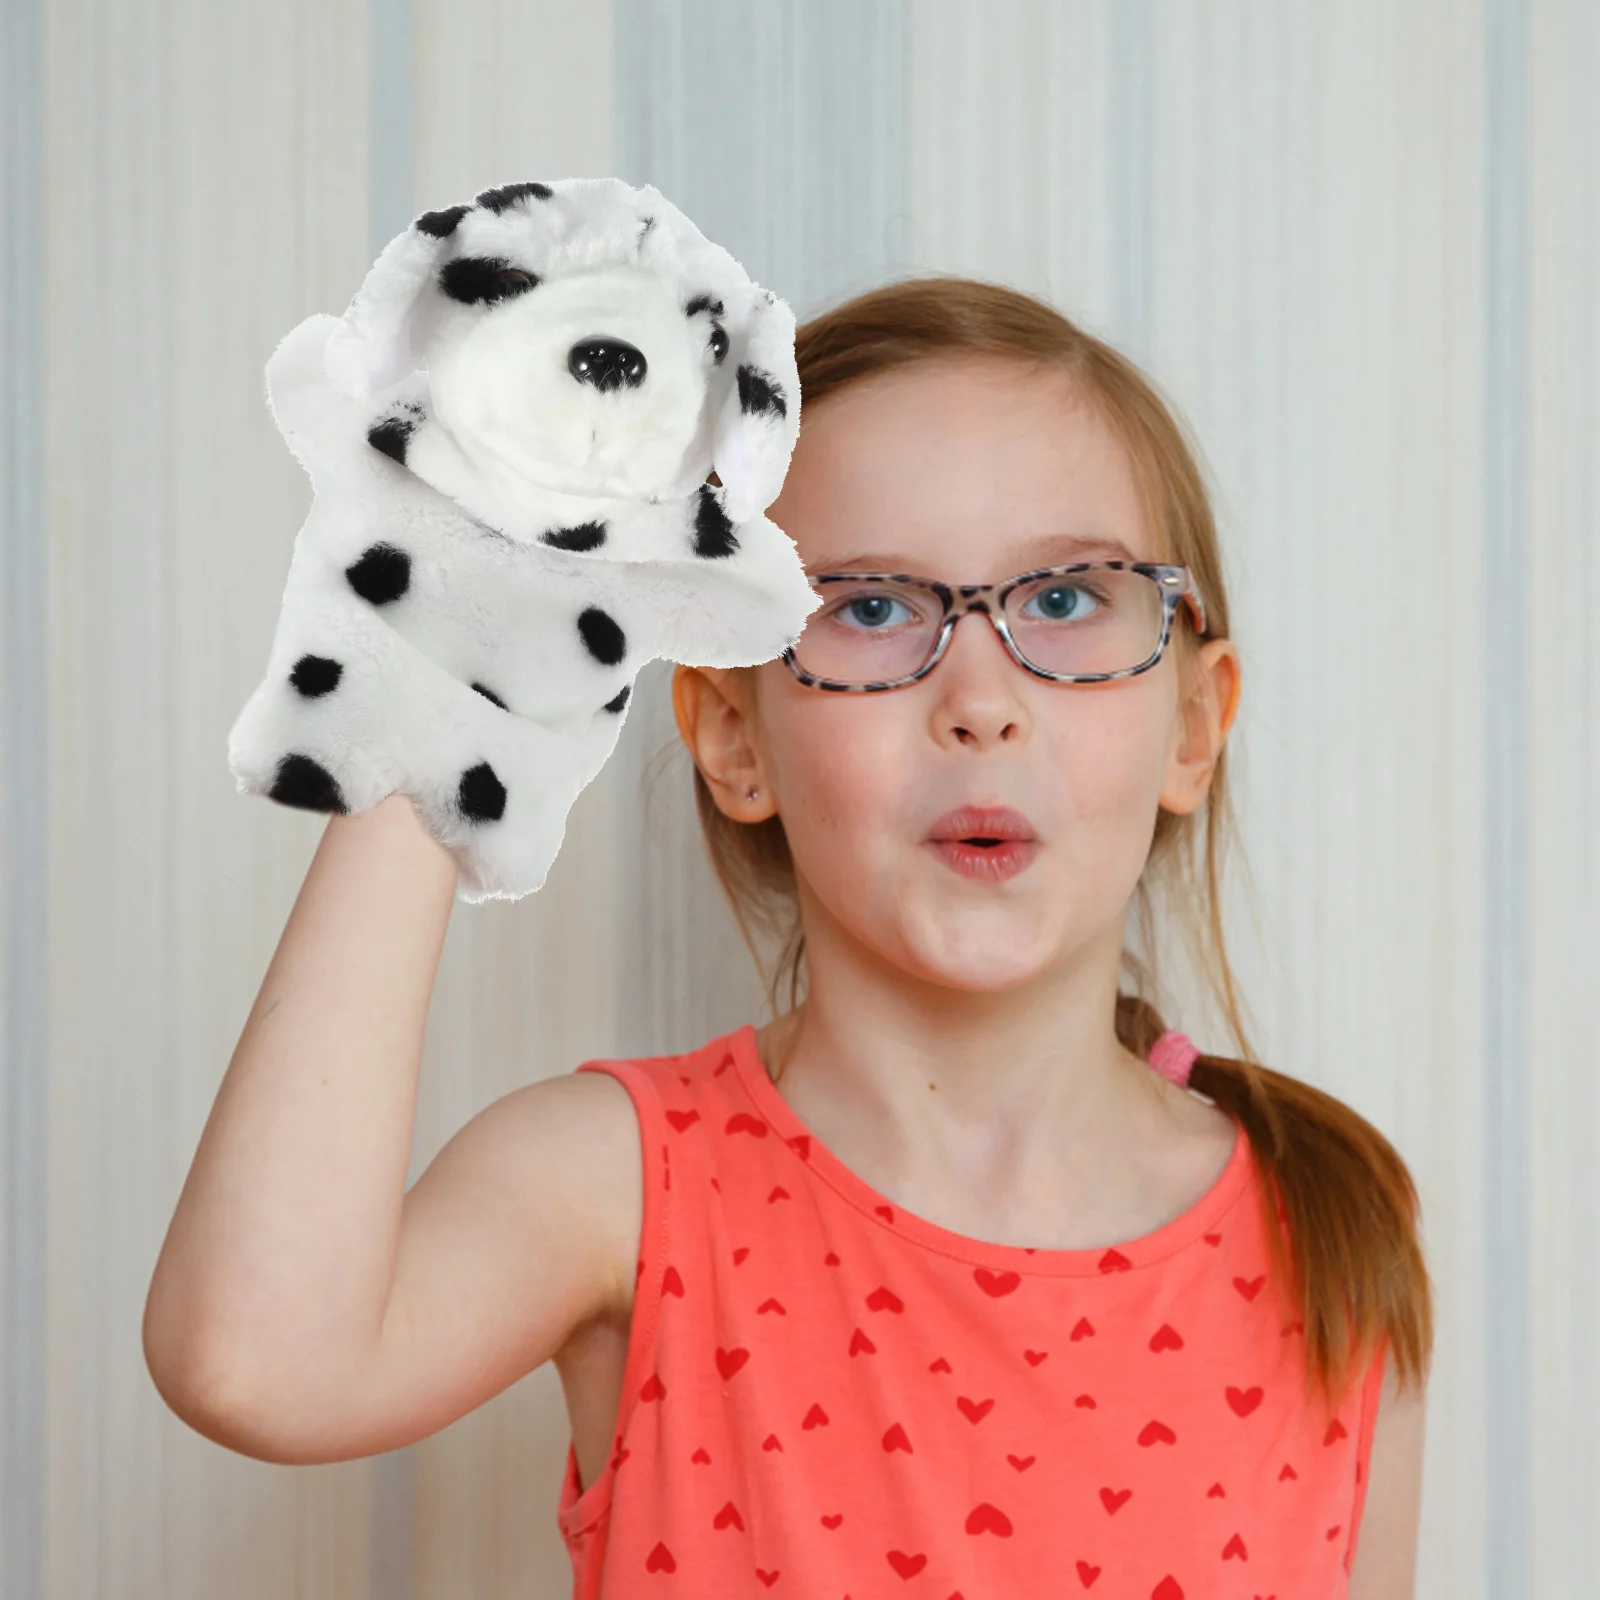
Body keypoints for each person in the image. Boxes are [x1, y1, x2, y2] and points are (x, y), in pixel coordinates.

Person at [144, 276, 1432, 1598]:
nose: (980, 702)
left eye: (1063, 601)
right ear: (731, 735)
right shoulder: (621, 1194)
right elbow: (254, 1363)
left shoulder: (1326, 1222)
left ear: (1197, 724)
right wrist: (444, 679)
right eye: (871, 608)